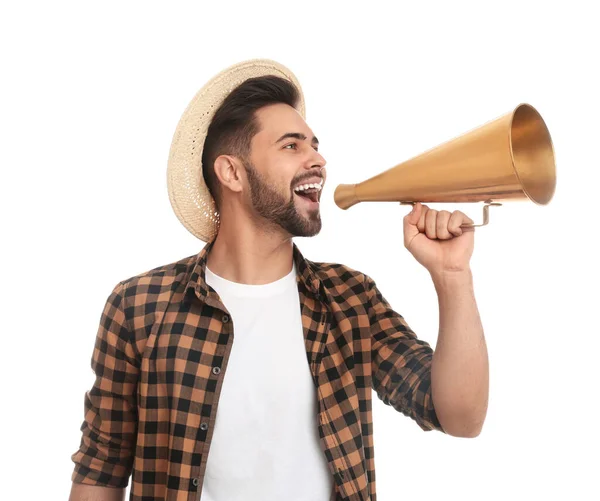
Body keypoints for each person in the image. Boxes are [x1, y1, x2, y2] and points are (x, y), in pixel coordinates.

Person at [68, 59, 488, 501]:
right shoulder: (139, 306)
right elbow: (101, 471)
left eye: (314, 144)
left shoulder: (350, 298)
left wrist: (452, 275)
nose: (318, 159)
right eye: (292, 146)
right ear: (231, 173)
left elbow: (460, 416)